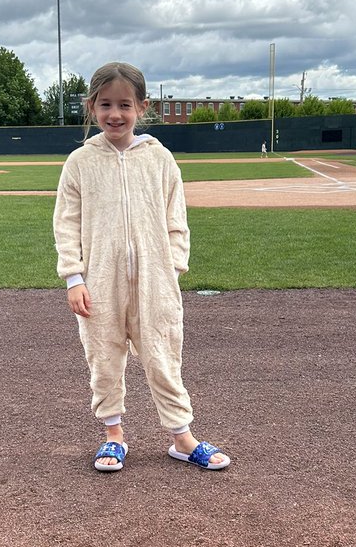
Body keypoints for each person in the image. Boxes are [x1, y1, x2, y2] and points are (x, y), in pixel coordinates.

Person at [53, 62, 231, 473]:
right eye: (105, 104)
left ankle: (182, 438)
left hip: (156, 280)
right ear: (91, 107)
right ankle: (113, 436)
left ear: (142, 107)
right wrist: (74, 278)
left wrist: (172, 267)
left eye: (125, 105)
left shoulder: (160, 159)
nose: (115, 114)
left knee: (163, 353)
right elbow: (66, 223)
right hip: (99, 280)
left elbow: (176, 216)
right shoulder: (80, 162)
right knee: (103, 355)